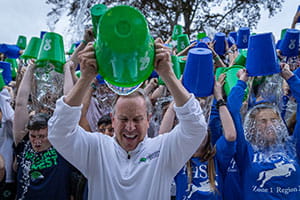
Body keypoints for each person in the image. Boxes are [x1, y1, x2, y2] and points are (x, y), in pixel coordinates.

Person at [48, 38, 208, 199]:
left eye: (137, 119)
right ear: (113, 119)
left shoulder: (163, 150)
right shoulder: (96, 149)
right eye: (124, 119)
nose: (130, 127)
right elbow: (58, 132)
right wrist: (85, 79)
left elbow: (196, 127)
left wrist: (168, 75)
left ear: (148, 119)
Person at [227, 64, 300, 199]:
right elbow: (232, 111)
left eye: (273, 120)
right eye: (263, 121)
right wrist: (242, 82)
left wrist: (289, 77)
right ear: (252, 126)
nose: (269, 125)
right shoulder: (246, 152)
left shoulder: (293, 147)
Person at [160, 74, 237, 199]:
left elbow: (231, 135)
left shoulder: (217, 157)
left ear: (208, 134)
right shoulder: (178, 158)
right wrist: (176, 94)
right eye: (192, 131)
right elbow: (162, 138)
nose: (198, 134)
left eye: (202, 130)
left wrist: (219, 97)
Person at [13, 61, 74, 200]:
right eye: (33, 136)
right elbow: (20, 104)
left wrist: (67, 71)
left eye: (42, 136)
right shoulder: (24, 145)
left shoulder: (62, 146)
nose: (37, 141)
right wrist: (30, 68)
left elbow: (70, 105)